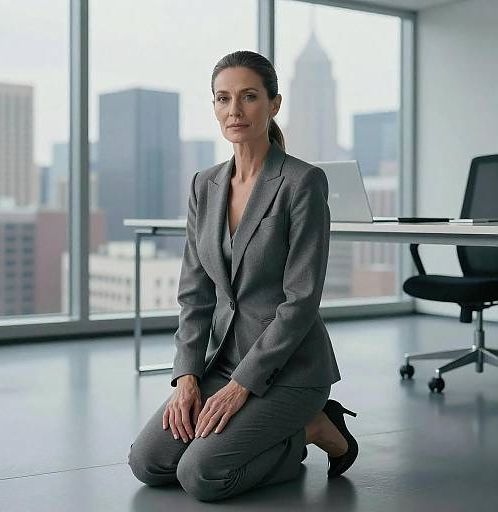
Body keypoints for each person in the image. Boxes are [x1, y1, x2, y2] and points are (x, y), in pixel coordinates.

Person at [128, 50, 358, 502]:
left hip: (290, 367)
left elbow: (301, 301)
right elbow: (195, 294)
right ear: (214, 107)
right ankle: (260, 424)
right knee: (149, 462)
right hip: (222, 359)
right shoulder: (205, 184)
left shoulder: (302, 182)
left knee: (203, 476)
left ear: (273, 104)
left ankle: (311, 428)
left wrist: (242, 388)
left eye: (249, 97)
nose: (234, 110)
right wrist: (187, 377)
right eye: (223, 98)